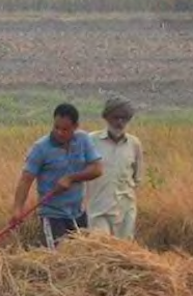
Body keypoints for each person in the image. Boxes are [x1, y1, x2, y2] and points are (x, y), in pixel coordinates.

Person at [11, 103, 103, 249]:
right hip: (52, 214)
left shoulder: (83, 140)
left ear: (76, 126)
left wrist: (71, 178)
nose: (59, 132)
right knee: (59, 258)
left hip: (77, 212)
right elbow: (25, 180)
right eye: (56, 127)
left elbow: (97, 169)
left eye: (65, 129)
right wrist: (17, 210)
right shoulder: (41, 148)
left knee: (84, 255)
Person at [86, 96, 144, 240]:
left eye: (124, 118)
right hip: (98, 210)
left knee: (123, 253)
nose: (120, 122)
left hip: (125, 211)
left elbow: (137, 178)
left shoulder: (134, 144)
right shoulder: (91, 140)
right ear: (106, 117)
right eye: (116, 117)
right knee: (100, 249)